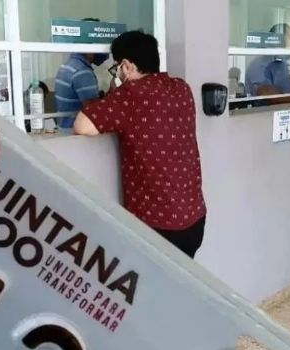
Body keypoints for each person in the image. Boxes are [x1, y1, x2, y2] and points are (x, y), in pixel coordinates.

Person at [73, 31, 207, 258]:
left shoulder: (130, 95)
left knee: (151, 281)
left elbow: (82, 125)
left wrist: (115, 92)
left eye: (116, 68)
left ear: (126, 66)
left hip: (158, 227)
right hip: (194, 218)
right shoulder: (181, 88)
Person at [55, 18, 110, 129]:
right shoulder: (82, 72)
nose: (105, 52)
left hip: (64, 128)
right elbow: (94, 113)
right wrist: (114, 92)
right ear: (90, 46)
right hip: (75, 132)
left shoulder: (68, 65)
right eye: (101, 44)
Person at [244, 24, 290, 97]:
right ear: (276, 39)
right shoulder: (260, 65)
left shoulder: (281, 63)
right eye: (289, 38)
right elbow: (269, 96)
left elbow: (289, 89)